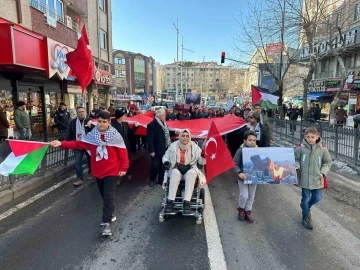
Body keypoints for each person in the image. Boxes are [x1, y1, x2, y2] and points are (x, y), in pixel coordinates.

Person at [50, 111, 129, 236]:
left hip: (112, 171)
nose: (101, 124)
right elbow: (78, 144)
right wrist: (61, 143)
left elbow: (123, 153)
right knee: (104, 195)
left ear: (109, 122)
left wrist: (124, 168)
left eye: (104, 122)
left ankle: (106, 223)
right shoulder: (92, 136)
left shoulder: (115, 136)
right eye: (99, 121)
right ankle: (110, 213)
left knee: (109, 196)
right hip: (98, 171)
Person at [294, 127, 332, 230]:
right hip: (305, 177)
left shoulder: (323, 149)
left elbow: (327, 162)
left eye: (312, 137)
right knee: (306, 198)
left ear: (317, 137)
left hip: (317, 178)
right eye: (308, 137)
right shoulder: (300, 148)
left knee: (317, 197)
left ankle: (305, 207)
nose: (310, 139)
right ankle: (306, 217)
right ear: (304, 137)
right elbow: (296, 159)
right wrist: (297, 166)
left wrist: (322, 173)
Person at [162, 129, 205, 214]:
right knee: (175, 173)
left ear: (189, 137)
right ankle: (170, 203)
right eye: (183, 136)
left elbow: (201, 162)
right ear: (180, 136)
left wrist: (203, 157)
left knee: (192, 173)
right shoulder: (173, 146)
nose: (185, 138)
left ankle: (186, 203)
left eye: (187, 136)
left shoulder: (195, 147)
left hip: (189, 169)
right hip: (176, 168)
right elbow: (165, 156)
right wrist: (166, 162)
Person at [147, 108, 176, 187]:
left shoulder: (164, 123)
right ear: (160, 116)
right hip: (156, 149)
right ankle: (152, 180)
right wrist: (151, 150)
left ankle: (161, 179)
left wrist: (174, 132)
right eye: (164, 115)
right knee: (155, 166)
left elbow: (166, 132)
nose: (165, 117)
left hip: (164, 147)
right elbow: (149, 139)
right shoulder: (152, 125)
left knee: (163, 165)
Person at [233, 130, 258, 223]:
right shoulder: (240, 151)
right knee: (244, 195)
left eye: (254, 140)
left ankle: (248, 211)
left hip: (254, 177)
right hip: (242, 177)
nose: (252, 142)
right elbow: (234, 163)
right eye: (250, 140)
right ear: (244, 140)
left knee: (251, 195)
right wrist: (239, 173)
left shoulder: (258, 151)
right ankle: (241, 209)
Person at [66, 106, 93, 186]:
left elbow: (96, 131)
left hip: (88, 144)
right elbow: (69, 133)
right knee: (77, 162)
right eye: (79, 112)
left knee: (90, 160)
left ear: (85, 112)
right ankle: (79, 178)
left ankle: (91, 173)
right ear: (77, 113)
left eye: (82, 111)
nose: (81, 113)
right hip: (77, 144)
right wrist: (69, 144)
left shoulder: (90, 120)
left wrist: (90, 126)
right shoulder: (73, 122)